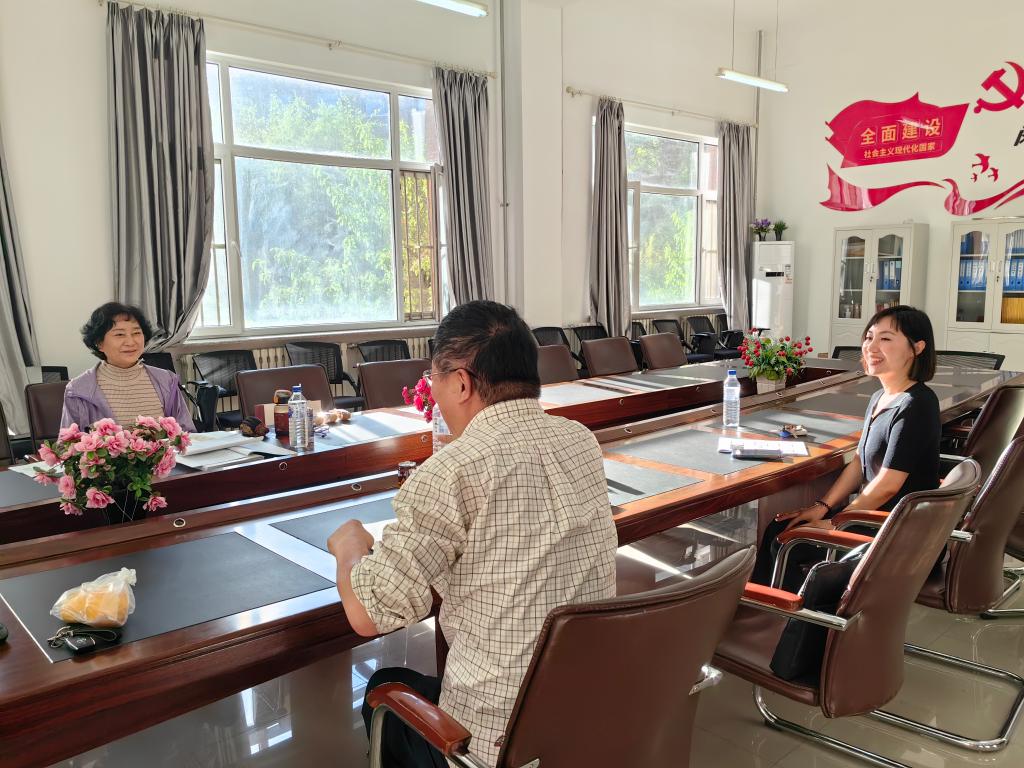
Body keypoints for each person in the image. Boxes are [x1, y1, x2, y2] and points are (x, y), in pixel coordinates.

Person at [327, 300, 618, 768]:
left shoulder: (452, 470)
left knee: (383, 688)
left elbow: (367, 614)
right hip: (585, 716)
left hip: (493, 747)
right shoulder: (580, 440)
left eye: (434, 380)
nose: (435, 394)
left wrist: (347, 545)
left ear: (461, 383)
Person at [751, 305, 940, 587]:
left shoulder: (917, 404)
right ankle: (765, 608)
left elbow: (888, 485)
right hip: (874, 518)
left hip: (897, 532)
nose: (871, 347)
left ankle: (791, 611)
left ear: (917, 348)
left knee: (787, 542)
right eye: (869, 337)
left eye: (886, 339)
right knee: (780, 528)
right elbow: (859, 462)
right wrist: (822, 506)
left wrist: (838, 521)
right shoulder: (880, 397)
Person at [60, 302, 196, 432]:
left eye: (136, 333)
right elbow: (69, 443)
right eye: (119, 334)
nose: (131, 342)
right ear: (99, 343)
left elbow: (186, 433)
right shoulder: (78, 390)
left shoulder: (166, 380)